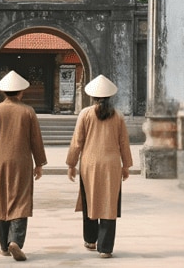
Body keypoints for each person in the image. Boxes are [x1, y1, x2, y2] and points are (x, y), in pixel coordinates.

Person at [0, 70, 47, 262]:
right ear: (21, 92)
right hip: (22, 161)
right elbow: (36, 140)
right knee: (21, 199)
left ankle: (3, 246)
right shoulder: (28, 111)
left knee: (1, 199)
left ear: (3, 92)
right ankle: (15, 240)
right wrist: (39, 163)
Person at [65, 74, 133, 259]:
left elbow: (77, 141)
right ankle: (105, 248)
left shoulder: (85, 114)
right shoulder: (118, 116)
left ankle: (90, 239)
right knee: (109, 203)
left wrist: (71, 163)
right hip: (112, 164)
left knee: (90, 199)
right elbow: (124, 143)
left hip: (90, 164)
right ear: (110, 96)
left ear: (92, 96)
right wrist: (126, 165)